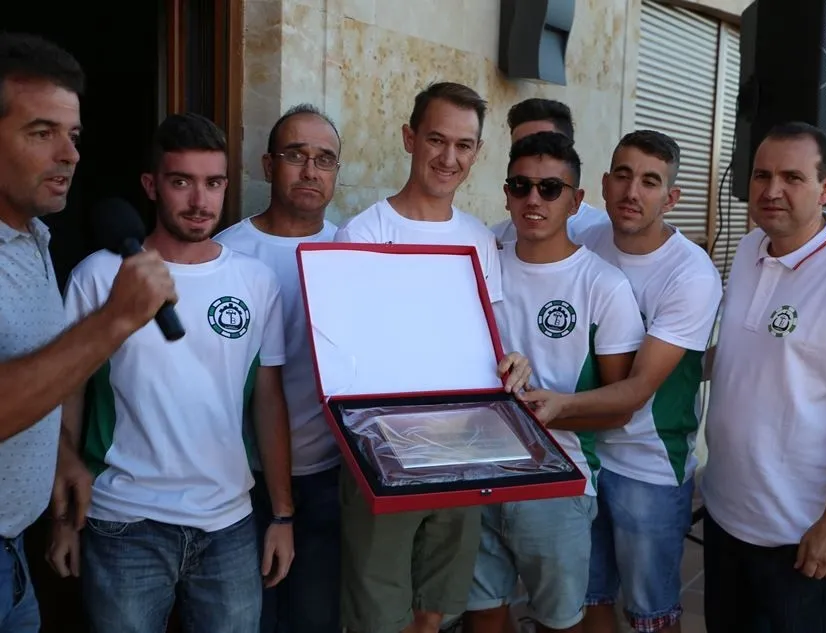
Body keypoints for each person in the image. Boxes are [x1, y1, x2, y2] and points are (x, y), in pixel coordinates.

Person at [45, 113, 296, 633]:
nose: (200, 200)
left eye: (214, 183)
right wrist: (64, 518)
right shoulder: (98, 276)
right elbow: (68, 392)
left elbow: (269, 401)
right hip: (123, 520)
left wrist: (282, 514)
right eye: (182, 182)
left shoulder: (255, 281)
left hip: (229, 522)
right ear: (151, 185)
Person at [333, 81, 531, 633]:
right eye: (437, 140)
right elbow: (343, 354)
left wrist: (512, 361)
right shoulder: (362, 233)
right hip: (381, 451)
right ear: (409, 138)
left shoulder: (478, 239)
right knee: (379, 617)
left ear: (477, 152)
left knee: (436, 610)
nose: (449, 158)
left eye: (464, 145)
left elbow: (486, 341)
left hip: (460, 448)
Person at [0, 33, 176, 633]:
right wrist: (115, 320)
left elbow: (30, 370)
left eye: (73, 135)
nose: (70, 154)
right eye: (41, 132)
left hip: (14, 555)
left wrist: (58, 455)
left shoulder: (33, 236)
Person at [517, 130, 723, 633]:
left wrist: (556, 406)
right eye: (624, 176)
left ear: (671, 198)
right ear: (605, 184)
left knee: (652, 613)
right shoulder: (586, 240)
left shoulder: (690, 275)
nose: (633, 192)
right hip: (582, 453)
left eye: (650, 182)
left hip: (647, 462)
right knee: (590, 599)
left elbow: (637, 389)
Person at [700, 121, 826, 632]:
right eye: (761, 175)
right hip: (726, 511)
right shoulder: (750, 248)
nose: (772, 190)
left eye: (792, 177)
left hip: (799, 534)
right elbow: (745, 353)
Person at [464, 132, 644, 633]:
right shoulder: (481, 265)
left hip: (558, 479)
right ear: (506, 193)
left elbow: (620, 406)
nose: (533, 199)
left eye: (550, 188)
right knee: (482, 613)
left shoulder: (603, 285)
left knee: (558, 622)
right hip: (476, 469)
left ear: (576, 200)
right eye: (521, 186)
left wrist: (558, 408)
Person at [215, 103, 343, 633]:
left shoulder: (349, 252)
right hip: (242, 480)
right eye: (296, 155)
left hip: (330, 474)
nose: (311, 170)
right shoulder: (224, 254)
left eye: (325, 159)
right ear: (268, 165)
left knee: (316, 619)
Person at [489, 99, 608, 245]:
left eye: (546, 144)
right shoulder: (494, 241)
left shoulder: (603, 236)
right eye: (521, 148)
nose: (532, 157)